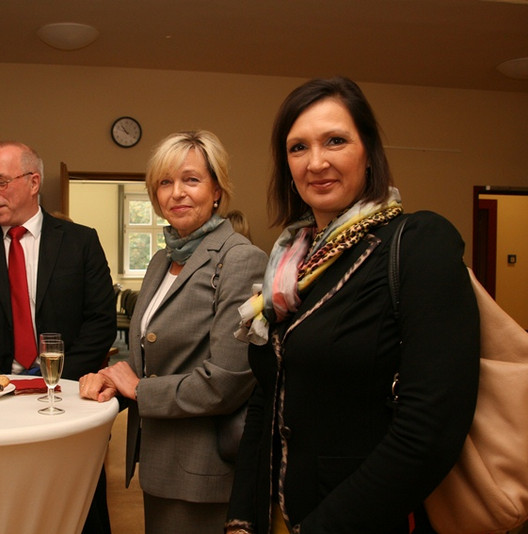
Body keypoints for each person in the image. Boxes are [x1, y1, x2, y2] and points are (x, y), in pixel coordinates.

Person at [225, 77, 479, 533]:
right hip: (277, 512)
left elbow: (430, 430)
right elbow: (266, 397)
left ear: (368, 152)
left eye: (335, 141)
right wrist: (241, 517)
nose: (316, 162)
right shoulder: (287, 265)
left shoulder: (419, 244)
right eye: (298, 148)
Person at [79, 130, 268, 533]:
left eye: (191, 180)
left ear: (217, 189)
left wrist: (139, 390)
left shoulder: (241, 260)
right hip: (158, 462)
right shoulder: (163, 260)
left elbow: (228, 381)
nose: (177, 193)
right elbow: (152, 355)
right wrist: (115, 380)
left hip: (203, 471)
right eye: (165, 182)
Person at [0, 140, 116, 533]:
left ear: (34, 182)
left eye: (1, 181)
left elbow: (100, 322)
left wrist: (62, 380)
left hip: (66, 398)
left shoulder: (81, 242)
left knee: (75, 505)